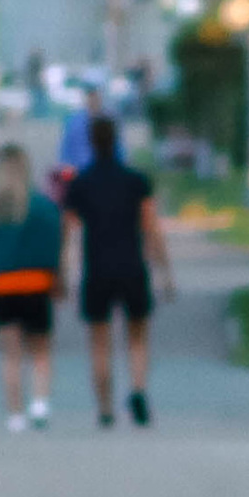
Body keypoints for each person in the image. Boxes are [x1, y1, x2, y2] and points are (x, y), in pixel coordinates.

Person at [59, 112, 174, 427]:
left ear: (91, 142)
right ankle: (138, 388)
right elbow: (151, 229)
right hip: (132, 267)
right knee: (137, 336)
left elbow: (69, 235)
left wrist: (64, 274)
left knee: (100, 341)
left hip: (97, 270)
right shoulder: (136, 181)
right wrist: (165, 272)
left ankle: (105, 407)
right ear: (117, 140)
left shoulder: (80, 184)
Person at [0, 144, 64, 430]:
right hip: (36, 283)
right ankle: (39, 403)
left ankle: (15, 415)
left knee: (11, 355)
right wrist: (57, 278)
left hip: (1, 286)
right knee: (40, 350)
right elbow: (56, 245)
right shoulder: (42, 206)